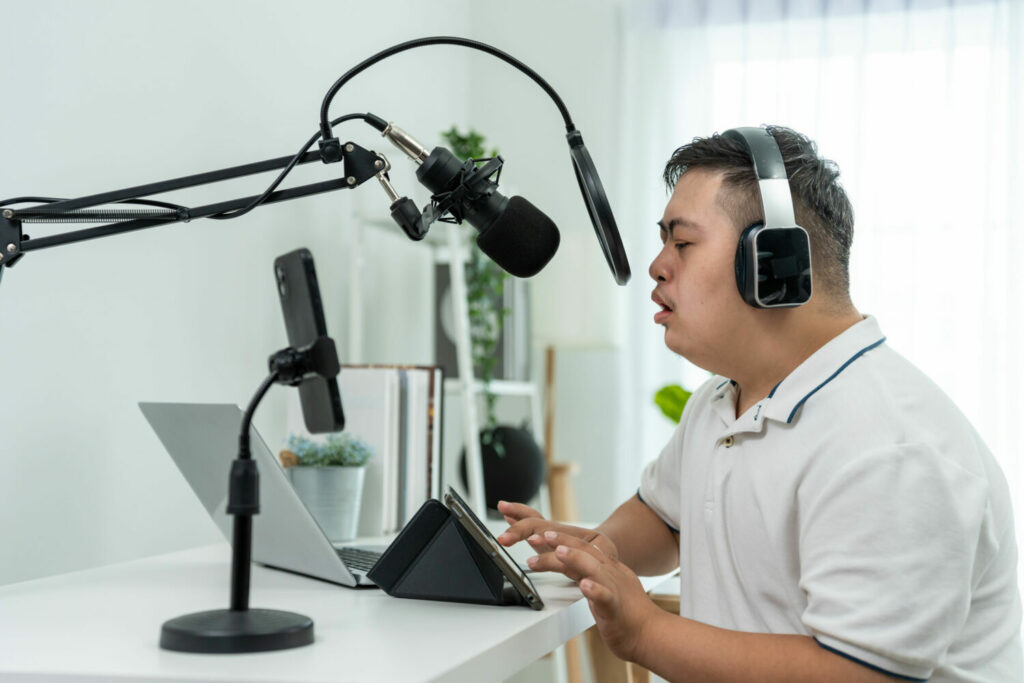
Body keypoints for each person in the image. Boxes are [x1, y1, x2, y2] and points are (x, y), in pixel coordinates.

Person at [497, 126, 1022, 682]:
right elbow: (667, 518)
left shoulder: (889, 449)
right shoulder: (724, 400)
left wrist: (647, 632)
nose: (657, 265)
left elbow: (856, 675)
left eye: (682, 242)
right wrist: (600, 551)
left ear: (773, 264)